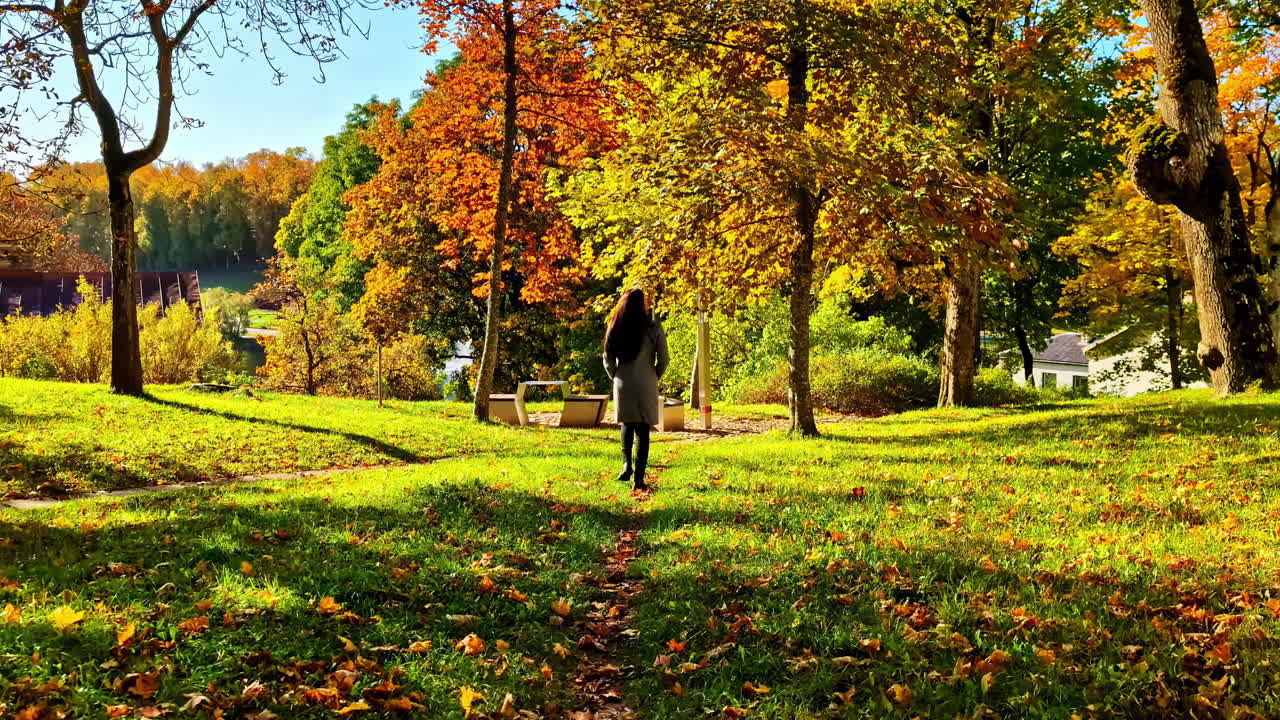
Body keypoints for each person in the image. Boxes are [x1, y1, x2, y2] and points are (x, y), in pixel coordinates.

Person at [603, 288, 669, 491]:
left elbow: (607, 357)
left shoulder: (616, 325)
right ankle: (639, 478)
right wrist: (654, 375)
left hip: (623, 380)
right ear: (643, 305)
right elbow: (664, 359)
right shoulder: (653, 327)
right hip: (647, 381)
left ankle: (626, 465)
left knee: (627, 424)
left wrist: (615, 375)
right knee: (643, 430)